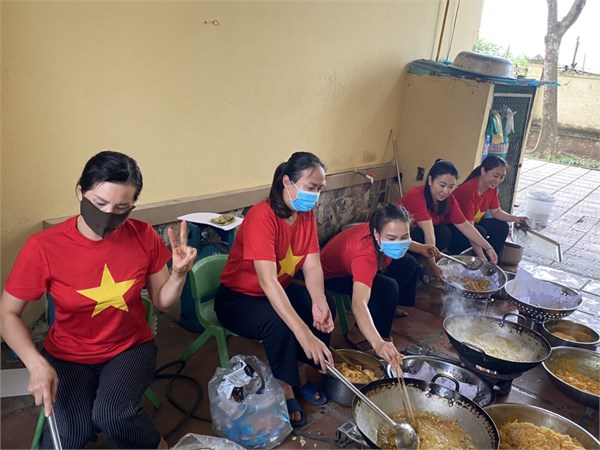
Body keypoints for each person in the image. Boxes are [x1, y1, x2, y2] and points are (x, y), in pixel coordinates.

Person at [0, 151, 197, 449]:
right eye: (99, 203)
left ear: (133, 205)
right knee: (70, 435)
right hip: (68, 354)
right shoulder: (43, 247)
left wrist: (179, 275)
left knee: (113, 415)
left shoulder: (143, 235)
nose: (108, 214)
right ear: (80, 191)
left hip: (129, 348)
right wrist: (35, 363)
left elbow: (163, 302)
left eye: (121, 208)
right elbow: (7, 314)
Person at [214, 151, 335, 428]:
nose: (315, 195)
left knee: (318, 306)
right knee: (278, 324)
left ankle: (301, 371)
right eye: (310, 187)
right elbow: (267, 281)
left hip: (278, 288)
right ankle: (285, 385)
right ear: (287, 182)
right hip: (238, 298)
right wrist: (303, 333)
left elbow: (312, 265)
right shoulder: (261, 216)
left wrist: (318, 300)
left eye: (319, 189)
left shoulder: (306, 215)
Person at [320, 204, 440, 365]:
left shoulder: (379, 225)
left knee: (408, 263)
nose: (399, 243)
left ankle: (387, 308)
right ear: (377, 234)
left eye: (404, 237)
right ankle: (358, 333)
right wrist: (378, 343)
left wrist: (420, 248)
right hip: (333, 276)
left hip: (356, 261)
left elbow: (398, 237)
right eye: (391, 238)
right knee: (387, 288)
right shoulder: (365, 257)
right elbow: (358, 304)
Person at [396, 159, 498, 280]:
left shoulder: (449, 200)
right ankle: (422, 264)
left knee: (446, 232)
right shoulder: (416, 195)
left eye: (451, 187)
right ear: (430, 180)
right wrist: (433, 264)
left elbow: (465, 226)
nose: (446, 191)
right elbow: (429, 232)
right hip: (401, 238)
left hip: (424, 237)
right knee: (441, 233)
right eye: (442, 185)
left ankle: (423, 264)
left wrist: (488, 248)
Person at [452, 155, 527, 256]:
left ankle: (493, 259)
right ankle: (480, 260)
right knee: (480, 231)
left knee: (502, 227)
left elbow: (496, 212)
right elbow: (468, 227)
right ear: (483, 171)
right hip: (456, 228)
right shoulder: (468, 192)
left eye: (502, 177)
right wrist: (482, 257)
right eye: (495, 176)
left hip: (473, 224)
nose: (498, 180)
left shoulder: (491, 188)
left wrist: (515, 219)